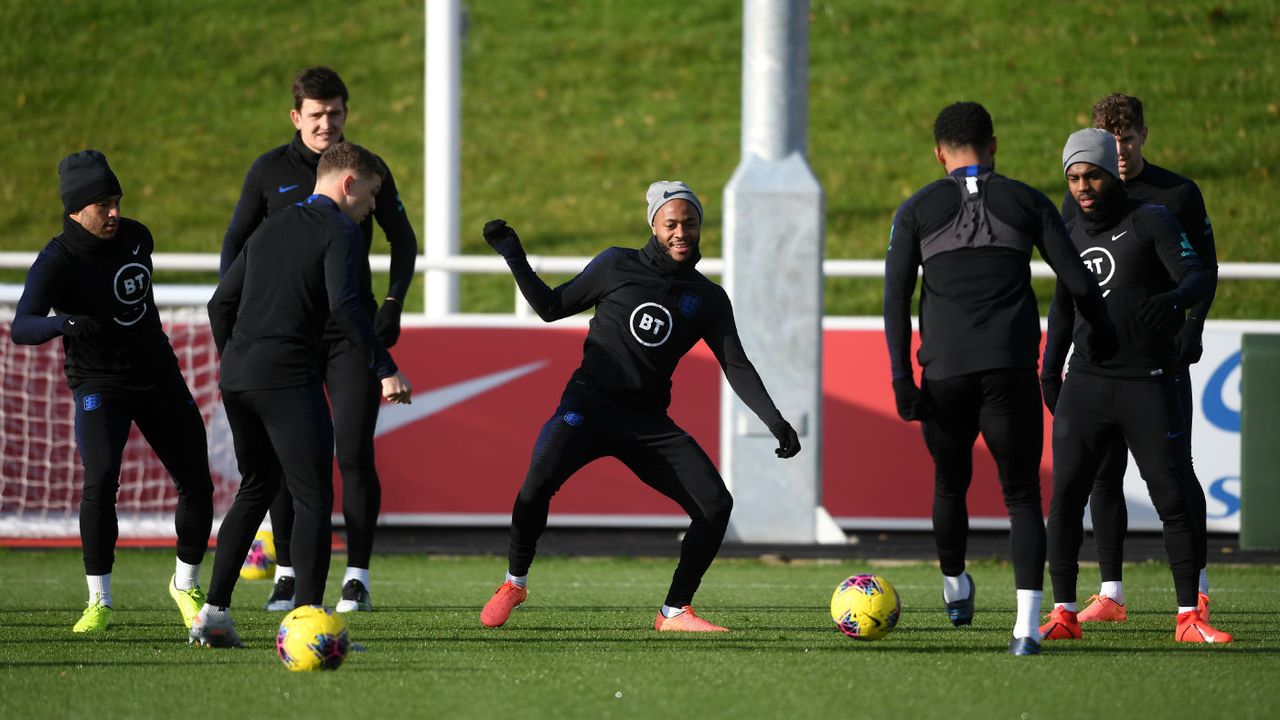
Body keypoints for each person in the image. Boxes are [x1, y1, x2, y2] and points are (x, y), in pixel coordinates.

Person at [478, 181, 801, 633]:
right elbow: (551, 307)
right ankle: (515, 582)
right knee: (535, 485)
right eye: (671, 223)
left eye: (690, 223)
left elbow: (736, 364)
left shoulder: (708, 298)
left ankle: (674, 612)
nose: (681, 233)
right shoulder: (616, 264)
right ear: (653, 224)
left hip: (646, 422)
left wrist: (775, 420)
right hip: (587, 406)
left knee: (715, 506)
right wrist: (513, 254)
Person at [882, 102, 1116, 656]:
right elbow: (1080, 282)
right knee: (1021, 496)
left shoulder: (915, 209)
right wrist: (1101, 333)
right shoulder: (1027, 200)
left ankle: (955, 585)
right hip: (1010, 368)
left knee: (948, 483)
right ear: (994, 145)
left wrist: (899, 378)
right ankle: (1025, 630)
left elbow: (894, 302)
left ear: (940, 153)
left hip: (943, 372)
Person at [193, 143, 413, 647]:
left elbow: (218, 303)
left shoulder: (270, 227)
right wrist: (385, 367)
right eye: (373, 194)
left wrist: (237, 359)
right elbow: (347, 308)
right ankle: (311, 623)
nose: (374, 207)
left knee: (255, 489)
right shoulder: (339, 230)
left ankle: (214, 615)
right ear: (349, 183)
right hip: (286, 376)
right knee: (313, 497)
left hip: (238, 377)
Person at [1038, 128, 1231, 644]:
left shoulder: (1151, 220)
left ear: (1110, 174)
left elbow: (1196, 276)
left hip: (1147, 381)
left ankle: (1189, 616)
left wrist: (1173, 302)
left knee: (1170, 497)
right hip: (1087, 382)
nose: (1082, 186)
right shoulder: (1068, 230)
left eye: (1091, 175)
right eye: (1074, 177)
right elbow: (1062, 306)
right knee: (1066, 500)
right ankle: (1064, 613)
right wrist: (1049, 367)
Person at [11, 150, 214, 634]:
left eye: (117, 201)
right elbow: (22, 325)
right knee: (101, 480)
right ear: (75, 209)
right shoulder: (56, 260)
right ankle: (98, 600)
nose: (114, 212)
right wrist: (64, 323)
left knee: (197, 481)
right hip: (99, 383)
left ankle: (185, 585)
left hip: (158, 374)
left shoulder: (139, 237)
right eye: (102, 204)